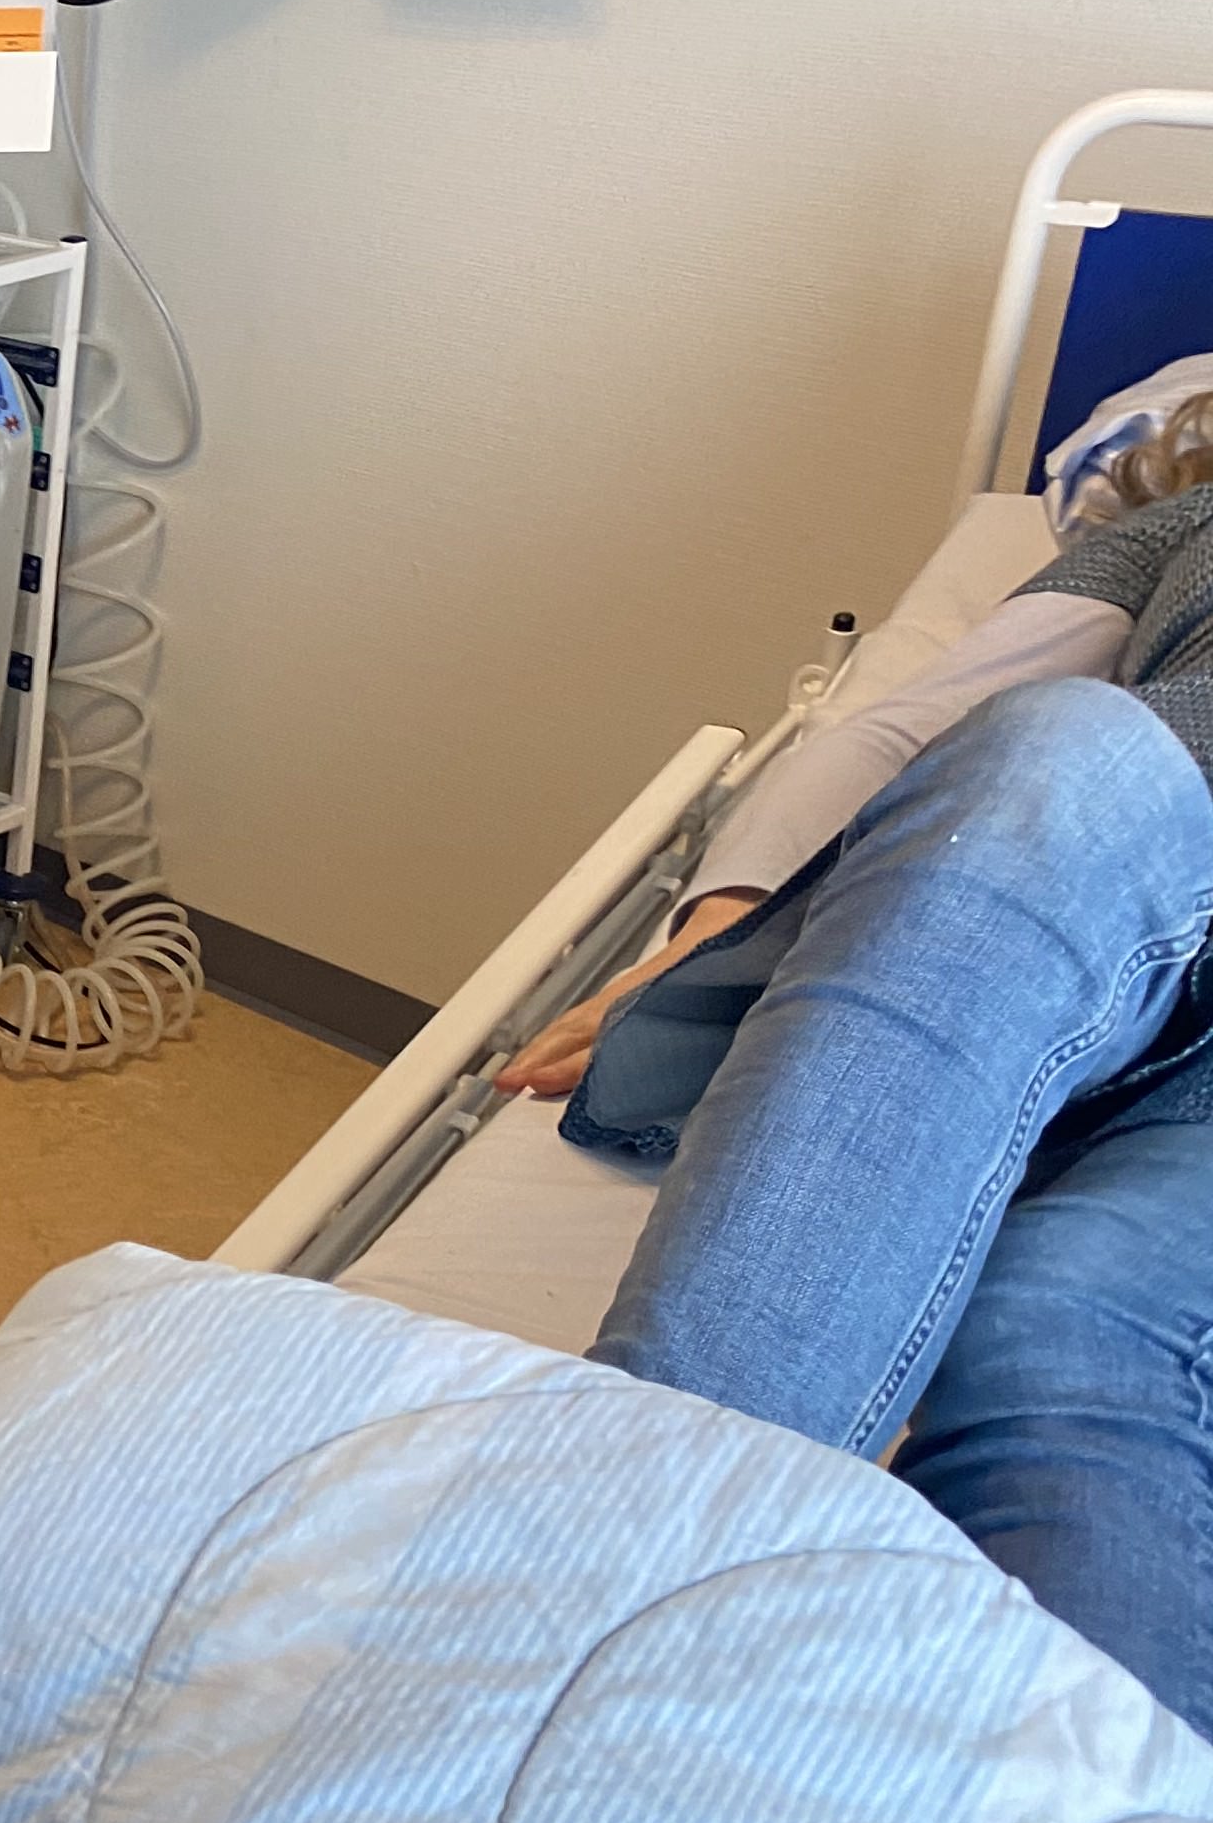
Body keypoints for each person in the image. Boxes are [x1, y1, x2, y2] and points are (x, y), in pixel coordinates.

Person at [501, 419, 1213, 1735]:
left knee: (1053, 1315)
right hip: (1140, 885)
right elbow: (911, 734)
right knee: (1056, 753)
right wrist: (727, 917)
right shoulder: (1177, 527)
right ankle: (576, 1644)